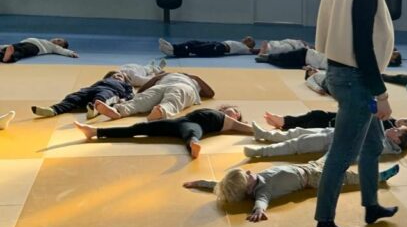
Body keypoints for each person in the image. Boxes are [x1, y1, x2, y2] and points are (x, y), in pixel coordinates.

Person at [312, 0, 401, 227]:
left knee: (373, 144)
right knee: (342, 154)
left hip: (341, 73)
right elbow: (363, 47)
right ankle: (324, 224)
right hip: (356, 79)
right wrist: (381, 94)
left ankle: (371, 206)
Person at [184, 157, 399, 223]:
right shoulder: (262, 190)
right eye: (247, 176)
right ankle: (377, 178)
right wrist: (258, 211)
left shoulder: (249, 182)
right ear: (248, 189)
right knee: (346, 176)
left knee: (337, 153)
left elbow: (220, 184)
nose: (249, 172)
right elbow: (262, 201)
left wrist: (201, 183)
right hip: (313, 178)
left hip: (308, 166)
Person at [74, 106, 251, 159]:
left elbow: (247, 129)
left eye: (237, 113)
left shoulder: (230, 123)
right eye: (234, 109)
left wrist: (263, 131)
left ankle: (193, 146)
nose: (234, 112)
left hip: (195, 125)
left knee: (191, 133)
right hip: (178, 121)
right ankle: (95, 131)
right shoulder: (214, 110)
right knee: (139, 128)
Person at [243, 119, 407, 159]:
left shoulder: (383, 146)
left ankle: (261, 152)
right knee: (298, 132)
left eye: (397, 131)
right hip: (334, 132)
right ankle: (266, 135)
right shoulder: (382, 136)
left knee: (297, 144)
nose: (393, 128)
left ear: (397, 141)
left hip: (334, 142)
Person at [94, 72, 214, 122]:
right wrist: (157, 77)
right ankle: (117, 110)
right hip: (161, 86)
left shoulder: (192, 81)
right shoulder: (161, 78)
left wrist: (195, 78)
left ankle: (162, 110)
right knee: (142, 99)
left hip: (183, 86)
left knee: (174, 99)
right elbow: (142, 91)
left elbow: (210, 93)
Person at [31, 72, 134, 118]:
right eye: (114, 75)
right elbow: (92, 87)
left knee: (102, 97)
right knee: (73, 97)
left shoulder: (125, 85)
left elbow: (131, 94)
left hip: (111, 91)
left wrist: (124, 99)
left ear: (125, 80)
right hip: (90, 90)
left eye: (120, 76)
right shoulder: (103, 80)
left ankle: (95, 109)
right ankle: (53, 110)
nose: (117, 76)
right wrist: (85, 91)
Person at [263, 110, 407, 138]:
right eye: (406, 119)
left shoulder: (389, 131)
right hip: (347, 116)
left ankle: (284, 123)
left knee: (314, 124)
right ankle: (285, 122)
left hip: (345, 127)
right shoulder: (389, 117)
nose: (403, 122)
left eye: (406, 124)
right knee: (316, 114)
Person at [158, 37, 257, 58]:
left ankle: (173, 51)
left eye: (248, 39)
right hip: (217, 43)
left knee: (195, 48)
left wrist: (265, 47)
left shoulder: (245, 49)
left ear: (250, 44)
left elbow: (256, 51)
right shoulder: (240, 44)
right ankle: (173, 47)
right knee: (193, 42)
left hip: (219, 48)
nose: (245, 38)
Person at [1, 37, 77, 63]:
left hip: (35, 47)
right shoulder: (44, 40)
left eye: (59, 41)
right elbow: (10, 47)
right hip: (23, 43)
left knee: (22, 52)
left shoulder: (53, 46)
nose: (56, 40)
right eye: (57, 39)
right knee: (10, 47)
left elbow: (62, 51)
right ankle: (4, 55)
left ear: (60, 46)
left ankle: (9, 57)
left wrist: (71, 53)